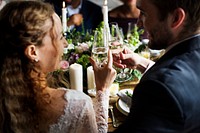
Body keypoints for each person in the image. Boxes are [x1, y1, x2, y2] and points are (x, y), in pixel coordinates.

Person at [0, 1, 116, 133]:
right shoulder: (76, 105)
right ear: (33, 52)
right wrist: (102, 90)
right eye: (60, 37)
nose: (65, 44)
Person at [112, 0, 200, 132]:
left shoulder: (158, 90)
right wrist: (143, 63)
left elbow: (167, 85)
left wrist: (102, 90)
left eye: (144, 13)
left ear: (176, 18)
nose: (139, 23)